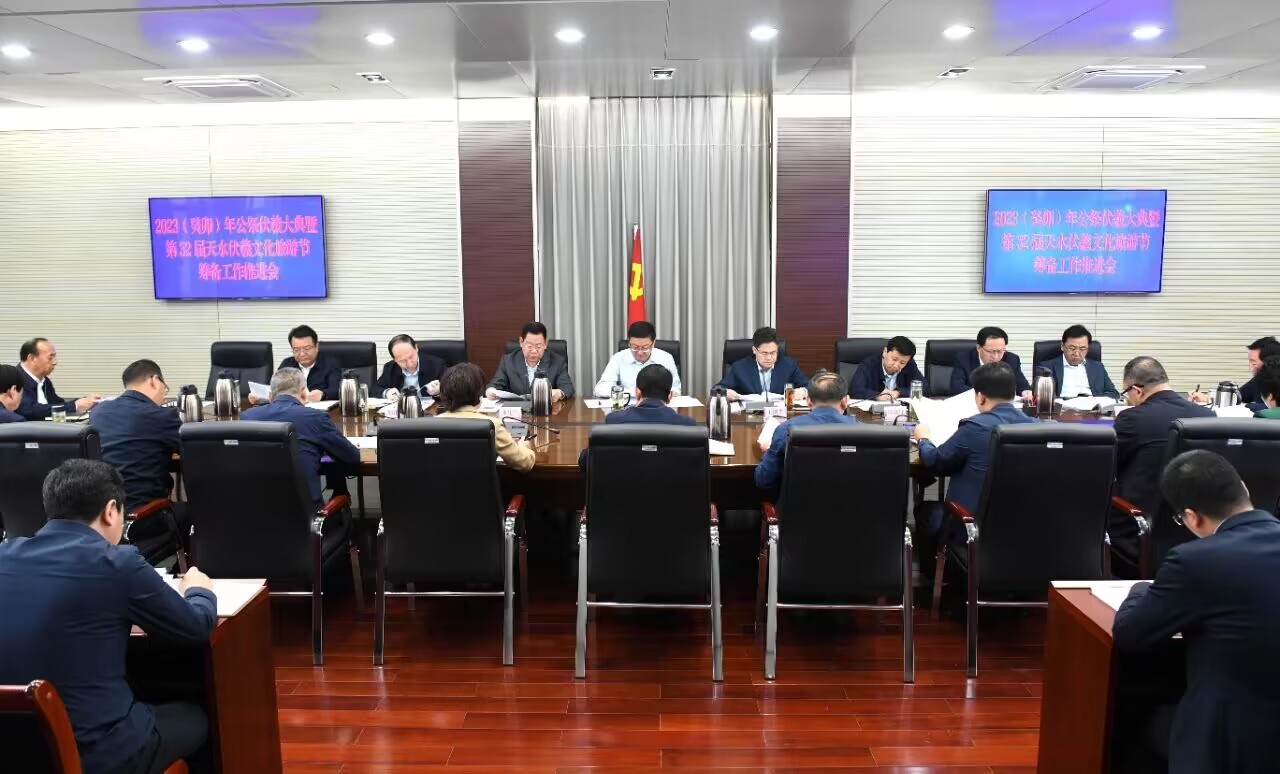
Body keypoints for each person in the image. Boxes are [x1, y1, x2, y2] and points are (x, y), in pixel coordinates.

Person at [0, 459, 216, 774]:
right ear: (111, 511)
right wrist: (199, 590)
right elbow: (196, 627)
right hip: (99, 755)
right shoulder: (116, 563)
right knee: (197, 717)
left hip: (14, 751)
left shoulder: (4, 556)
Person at [1113, 450, 1280, 774]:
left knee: (1130, 721)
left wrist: (1140, 590)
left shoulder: (1195, 561)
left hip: (1230, 738)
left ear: (1191, 517)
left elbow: (1131, 635)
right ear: (1244, 489)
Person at [914, 361, 1037, 558]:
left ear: (980, 397)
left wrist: (923, 439)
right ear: (1013, 394)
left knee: (926, 511)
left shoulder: (975, 427)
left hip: (971, 528)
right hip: (1025, 528)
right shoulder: (1037, 428)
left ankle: (940, 572)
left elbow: (935, 462)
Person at [1112, 357, 1214, 571]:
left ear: (1137, 390)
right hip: (1193, 527)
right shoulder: (1206, 415)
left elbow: (1109, 468)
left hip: (1136, 527)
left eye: (1126, 394)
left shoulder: (1132, 419)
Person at [88, 360, 184, 551]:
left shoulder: (99, 412)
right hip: (144, 517)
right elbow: (189, 449)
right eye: (164, 388)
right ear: (154, 381)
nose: (163, 395)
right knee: (192, 514)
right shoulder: (161, 416)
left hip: (102, 515)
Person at [241, 367, 360, 506]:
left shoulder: (247, 417)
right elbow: (352, 457)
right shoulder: (315, 417)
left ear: (270, 396)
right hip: (305, 512)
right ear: (304, 393)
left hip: (255, 508)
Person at [754, 370, 856, 492]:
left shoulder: (786, 430)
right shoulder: (867, 433)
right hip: (854, 503)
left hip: (798, 504)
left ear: (808, 401)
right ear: (845, 401)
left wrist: (768, 451)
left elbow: (764, 481)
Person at [579, 364, 693, 469]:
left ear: (637, 392)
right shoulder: (687, 425)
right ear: (670, 396)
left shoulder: (615, 421)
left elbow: (586, 461)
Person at [436, 362, 536, 472]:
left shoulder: (431, 425)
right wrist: (523, 446)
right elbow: (525, 463)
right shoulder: (492, 425)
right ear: (479, 394)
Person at [250, 325, 340, 404]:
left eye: (306, 348)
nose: (302, 354)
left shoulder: (330, 363)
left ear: (316, 347)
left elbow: (337, 389)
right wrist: (260, 398)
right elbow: (275, 389)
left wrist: (323, 394)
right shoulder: (287, 364)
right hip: (290, 409)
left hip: (319, 411)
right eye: (296, 350)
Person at [15, 337, 101, 420]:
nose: (55, 362)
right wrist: (74, 406)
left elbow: (57, 404)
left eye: (54, 357)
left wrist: (85, 401)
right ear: (31, 358)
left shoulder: (45, 381)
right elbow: (30, 409)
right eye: (50, 358)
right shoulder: (14, 378)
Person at [487, 322, 574, 402]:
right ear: (521, 342)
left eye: (538, 347)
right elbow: (496, 384)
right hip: (517, 410)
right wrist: (491, 391)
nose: (534, 351)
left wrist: (559, 393)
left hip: (545, 410)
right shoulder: (508, 361)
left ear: (545, 344)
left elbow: (567, 387)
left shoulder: (557, 361)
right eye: (530, 346)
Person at [716, 327, 809, 401]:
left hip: (780, 414)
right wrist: (726, 392)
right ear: (754, 350)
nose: (769, 358)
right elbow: (717, 389)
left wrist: (804, 391)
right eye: (764, 353)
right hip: (749, 415)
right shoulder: (740, 367)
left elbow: (810, 387)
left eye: (773, 352)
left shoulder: (789, 365)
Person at [593, 321, 682, 398]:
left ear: (653, 343)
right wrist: (632, 392)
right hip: (627, 409)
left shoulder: (666, 358)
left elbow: (676, 388)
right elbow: (600, 389)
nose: (639, 352)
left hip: (657, 407)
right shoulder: (618, 358)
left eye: (645, 347)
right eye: (635, 347)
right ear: (629, 343)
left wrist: (669, 393)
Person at [1189, 336, 1280, 409]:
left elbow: (1273, 408)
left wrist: (1249, 406)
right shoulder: (1258, 381)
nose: (1250, 368)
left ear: (1270, 362)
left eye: (1254, 363)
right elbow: (1237, 397)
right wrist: (1208, 398)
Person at [1036, 324, 1120, 399]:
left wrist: (1093, 400)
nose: (1076, 353)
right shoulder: (1046, 367)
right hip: (1062, 409)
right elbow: (1039, 396)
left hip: (1092, 408)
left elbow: (1113, 394)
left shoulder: (1098, 367)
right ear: (1062, 346)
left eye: (1082, 349)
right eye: (1072, 348)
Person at [949, 327, 1032, 399]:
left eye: (1000, 351)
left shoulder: (1012, 359)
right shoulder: (963, 359)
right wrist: (989, 397)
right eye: (991, 351)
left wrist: (1025, 392)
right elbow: (956, 388)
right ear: (978, 348)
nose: (996, 357)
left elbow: (1022, 385)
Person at [848, 335, 927, 400]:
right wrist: (877, 396)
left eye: (902, 363)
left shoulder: (910, 365)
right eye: (894, 359)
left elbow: (925, 389)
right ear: (885, 352)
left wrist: (899, 392)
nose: (896, 365)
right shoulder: (868, 364)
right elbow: (855, 390)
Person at [376, 334, 446, 400]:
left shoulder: (437, 365)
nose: (409, 364)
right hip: (400, 407)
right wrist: (386, 392)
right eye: (402, 360)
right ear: (395, 359)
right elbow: (375, 389)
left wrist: (439, 391)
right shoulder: (390, 368)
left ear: (416, 348)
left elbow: (450, 389)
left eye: (411, 357)